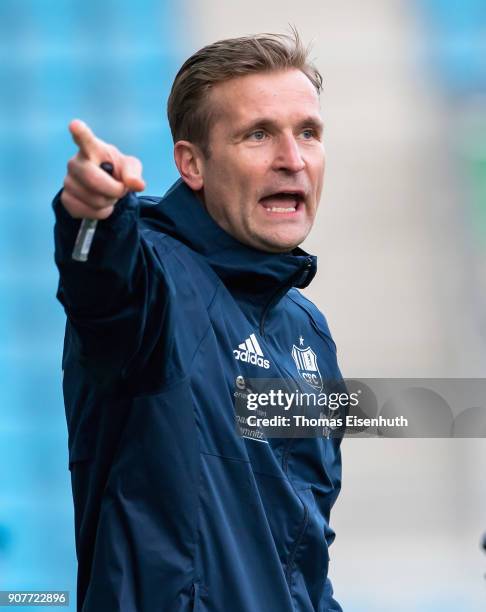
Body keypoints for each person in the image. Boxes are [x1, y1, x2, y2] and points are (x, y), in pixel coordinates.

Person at [53, 31, 344, 612]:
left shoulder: (308, 331)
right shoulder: (156, 279)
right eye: (258, 135)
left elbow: (306, 551)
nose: (292, 159)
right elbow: (105, 290)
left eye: (307, 133)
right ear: (192, 163)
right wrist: (91, 217)